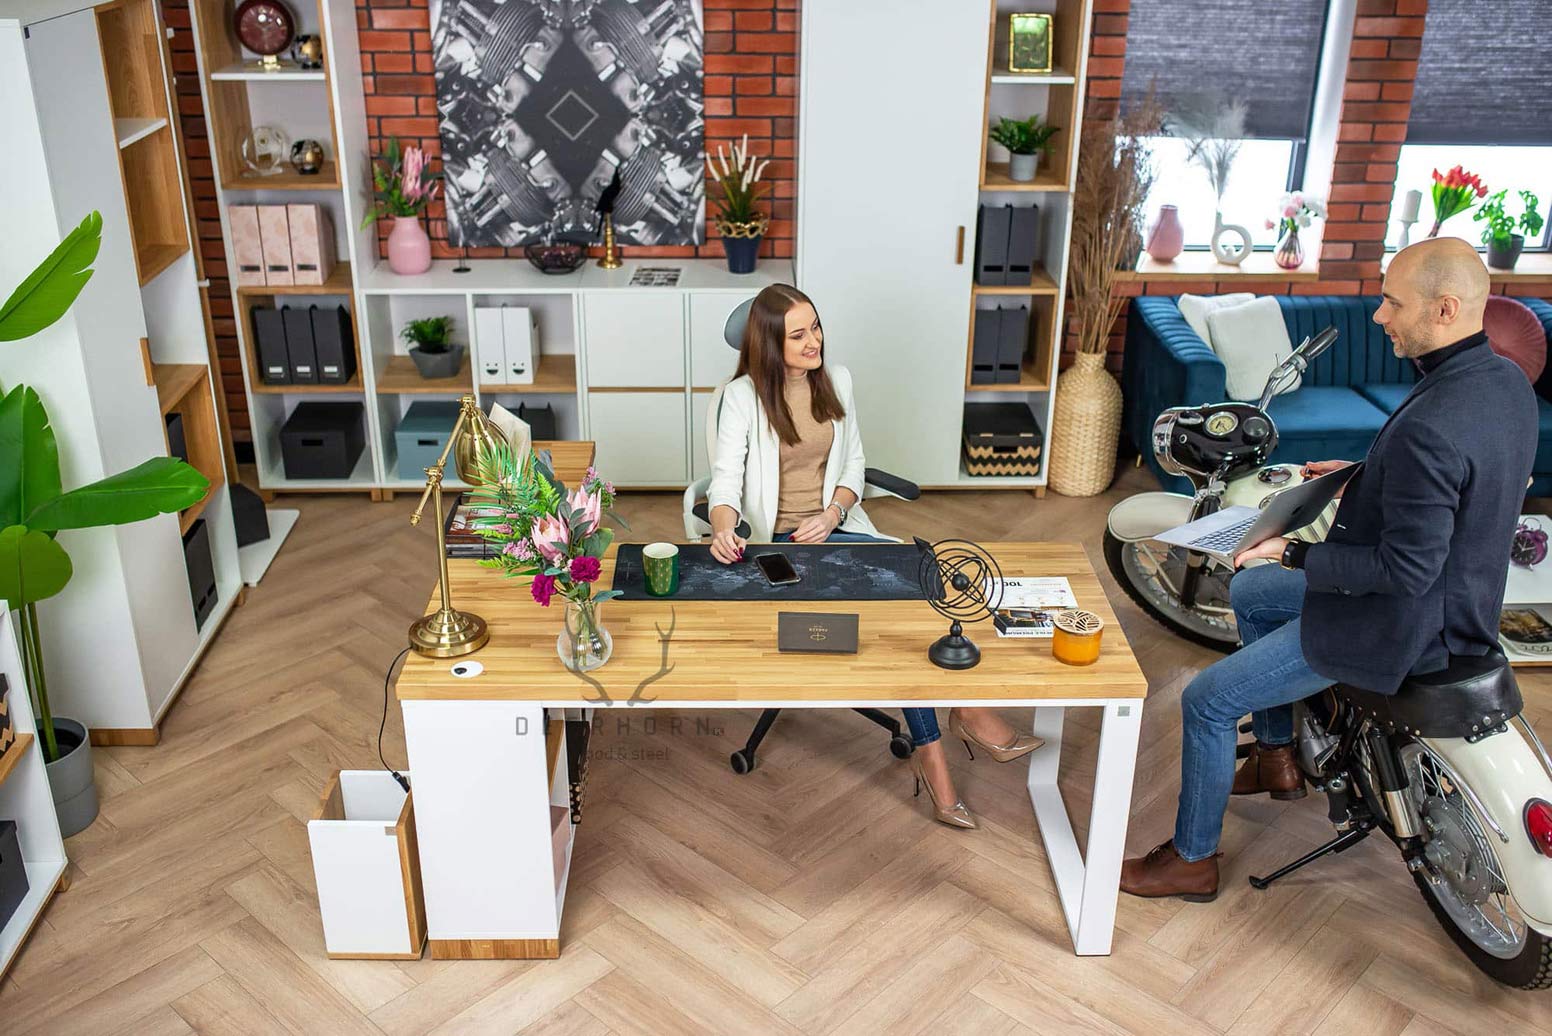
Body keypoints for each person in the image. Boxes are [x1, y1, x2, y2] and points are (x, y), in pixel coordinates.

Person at [1121, 238, 1538, 900]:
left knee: (1205, 701)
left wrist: (1294, 551)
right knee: (1254, 592)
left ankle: (1192, 859)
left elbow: (1403, 568)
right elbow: (1457, 482)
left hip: (1399, 626)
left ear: (1446, 309)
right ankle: (1278, 756)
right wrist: (1359, 476)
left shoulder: (1431, 424)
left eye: (1392, 303)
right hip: (1463, 604)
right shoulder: (1503, 383)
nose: (1379, 317)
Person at [706, 283, 1040, 829]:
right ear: (770, 343)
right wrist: (723, 529)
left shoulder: (836, 381)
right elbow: (723, 487)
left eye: (816, 326)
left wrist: (833, 514)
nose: (815, 341)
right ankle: (937, 760)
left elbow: (854, 464)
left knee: (920, 588)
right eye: (799, 334)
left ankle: (965, 711)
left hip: (836, 529)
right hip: (778, 547)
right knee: (891, 622)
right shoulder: (741, 398)